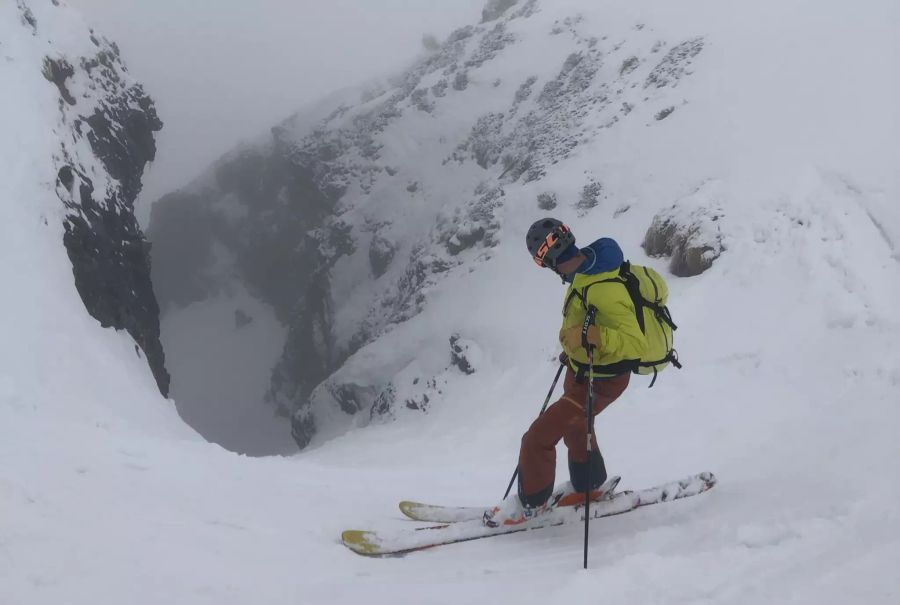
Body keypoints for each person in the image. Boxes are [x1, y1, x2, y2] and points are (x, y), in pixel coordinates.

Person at [483, 218, 649, 527]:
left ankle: (531, 504)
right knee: (576, 427)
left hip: (602, 381)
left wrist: (594, 339)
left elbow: (634, 344)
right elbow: (584, 322)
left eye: (542, 262)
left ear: (550, 258)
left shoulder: (603, 286)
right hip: (583, 372)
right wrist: (574, 348)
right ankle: (590, 484)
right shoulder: (585, 271)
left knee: (537, 438)